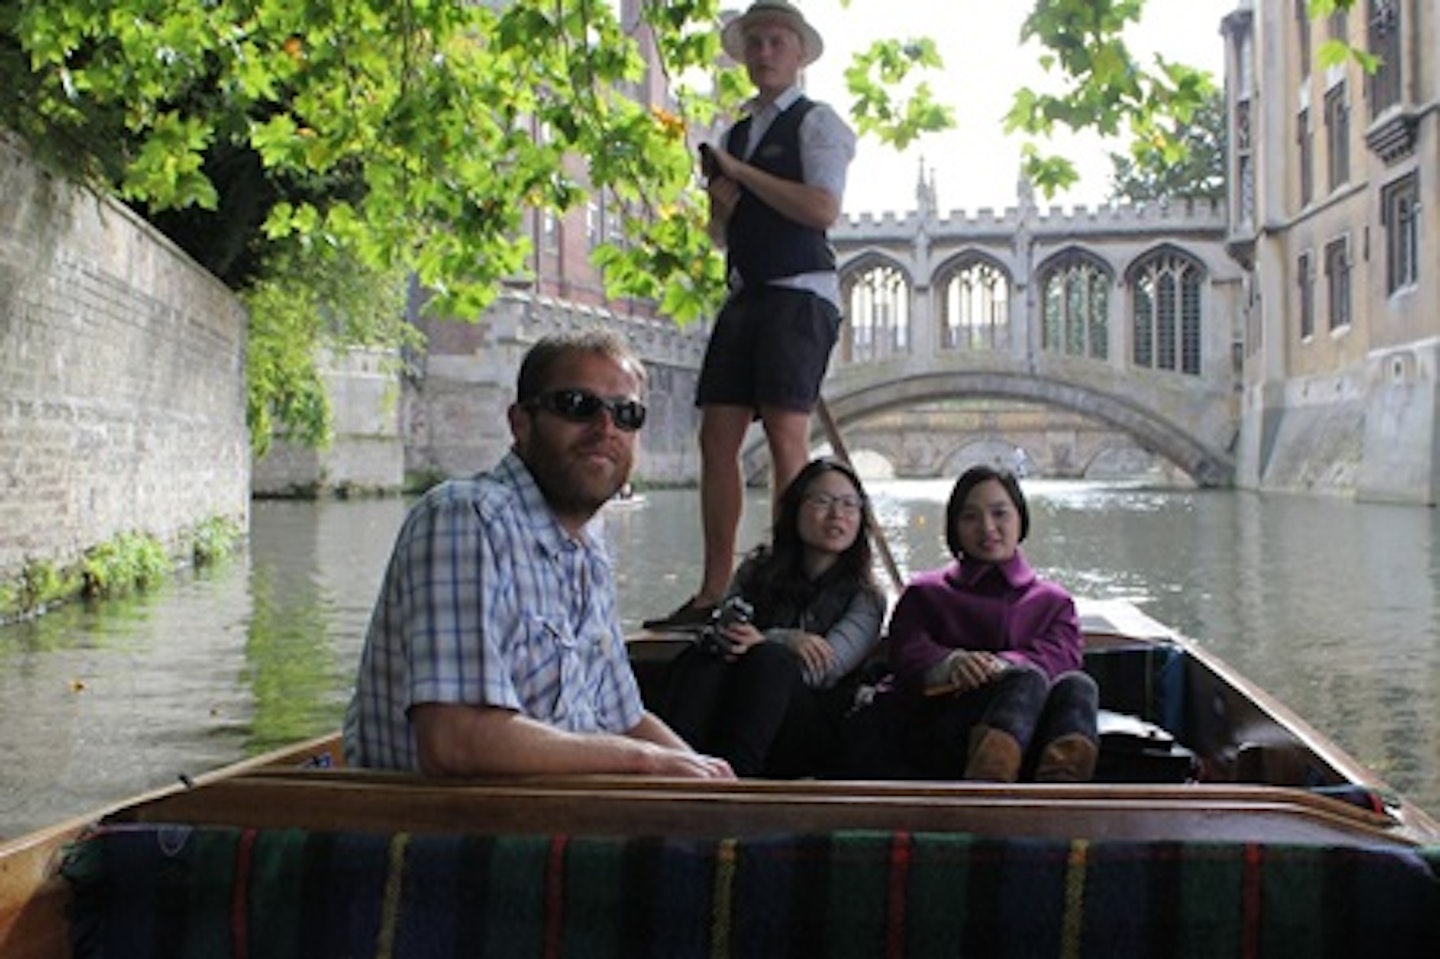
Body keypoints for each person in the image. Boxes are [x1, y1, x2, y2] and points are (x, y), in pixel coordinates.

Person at [342, 329, 733, 781]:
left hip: (563, 815)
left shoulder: (589, 549)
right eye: (577, 405)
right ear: (522, 422)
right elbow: (454, 742)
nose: (606, 428)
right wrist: (642, 761)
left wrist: (721, 788)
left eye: (627, 414)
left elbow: (625, 719)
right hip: (455, 834)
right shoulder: (467, 518)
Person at [645, 0, 857, 631]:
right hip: (747, 292)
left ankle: (786, 589)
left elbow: (822, 209)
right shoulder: (736, 133)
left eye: (775, 42)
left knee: (788, 439)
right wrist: (721, 204)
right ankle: (714, 591)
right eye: (755, 43)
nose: (763, 52)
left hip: (800, 293)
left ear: (797, 55)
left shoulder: (820, 125)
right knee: (717, 438)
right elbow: (720, 236)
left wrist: (740, 172)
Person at [657, 458, 886, 777]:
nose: (837, 515)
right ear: (795, 510)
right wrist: (772, 639)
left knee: (771, 662)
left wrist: (771, 641)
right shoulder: (757, 571)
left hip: (812, 726)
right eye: (822, 501)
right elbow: (727, 628)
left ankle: (738, 784)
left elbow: (824, 668)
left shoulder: (866, 597)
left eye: (850, 505)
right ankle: (676, 769)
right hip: (745, 701)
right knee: (707, 655)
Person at [879, 465, 1099, 783]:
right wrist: (950, 664)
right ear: (954, 527)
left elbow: (1061, 657)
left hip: (1030, 737)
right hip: (942, 730)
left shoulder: (1054, 602)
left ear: (1020, 518)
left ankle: (1061, 794)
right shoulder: (925, 593)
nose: (987, 528)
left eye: (1000, 514)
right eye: (970, 517)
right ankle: (987, 790)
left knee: (1078, 686)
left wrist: (1000, 667)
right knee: (1024, 679)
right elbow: (906, 650)